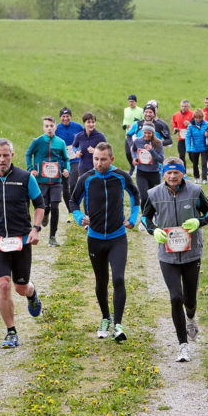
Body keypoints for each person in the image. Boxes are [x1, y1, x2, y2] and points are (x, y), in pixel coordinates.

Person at [0, 138, 45, 349]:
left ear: (12, 155)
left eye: (6, 155)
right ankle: (11, 332)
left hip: (22, 241)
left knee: (20, 287)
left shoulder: (25, 178)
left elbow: (39, 204)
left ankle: (31, 293)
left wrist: (36, 229)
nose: (2, 159)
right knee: (3, 285)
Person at [141, 157, 208, 362]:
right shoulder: (154, 194)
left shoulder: (195, 191)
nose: (172, 176)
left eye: (176, 172)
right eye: (169, 172)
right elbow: (145, 217)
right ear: (163, 173)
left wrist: (198, 221)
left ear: (183, 173)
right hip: (167, 255)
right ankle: (183, 345)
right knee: (175, 297)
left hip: (192, 253)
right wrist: (153, 230)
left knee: (189, 300)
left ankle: (191, 317)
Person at [69, 142, 140, 342]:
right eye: (96, 159)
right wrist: (79, 217)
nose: (98, 163)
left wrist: (133, 218)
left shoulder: (121, 177)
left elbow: (135, 195)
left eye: (103, 159)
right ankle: (105, 318)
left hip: (118, 237)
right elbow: (73, 201)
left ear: (111, 159)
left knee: (118, 279)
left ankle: (118, 325)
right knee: (101, 281)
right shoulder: (86, 178)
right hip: (95, 238)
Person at [26, 116, 71, 247]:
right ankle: (45, 214)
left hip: (56, 180)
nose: (49, 128)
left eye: (51, 126)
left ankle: (52, 237)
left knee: (55, 207)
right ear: (43, 128)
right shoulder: (37, 141)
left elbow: (66, 159)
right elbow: (28, 154)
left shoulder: (60, 142)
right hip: (41, 181)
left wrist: (66, 169)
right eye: (46, 126)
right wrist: (31, 169)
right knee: (44, 206)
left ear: (55, 127)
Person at [131, 121, 164, 220]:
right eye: (145, 132)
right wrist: (135, 158)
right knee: (144, 197)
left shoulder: (158, 143)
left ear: (153, 133)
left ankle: (156, 215)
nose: (146, 135)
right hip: (141, 173)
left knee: (155, 197)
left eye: (149, 133)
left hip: (154, 173)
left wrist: (151, 150)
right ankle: (145, 217)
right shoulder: (137, 141)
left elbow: (161, 159)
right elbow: (133, 150)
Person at [55, 107, 85, 212]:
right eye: (63, 116)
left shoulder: (78, 127)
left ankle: (74, 205)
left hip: (75, 160)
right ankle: (70, 211)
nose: (65, 118)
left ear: (70, 117)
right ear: (60, 117)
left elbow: (85, 138)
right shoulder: (56, 128)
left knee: (73, 184)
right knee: (65, 189)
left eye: (67, 116)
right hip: (62, 161)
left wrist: (80, 149)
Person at [185, 108, 208, 184]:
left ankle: (204, 179)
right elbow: (188, 137)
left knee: (204, 164)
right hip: (194, 148)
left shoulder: (206, 124)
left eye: (200, 118)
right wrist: (188, 148)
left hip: (204, 148)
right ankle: (197, 177)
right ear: (194, 117)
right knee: (195, 164)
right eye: (196, 118)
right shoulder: (190, 126)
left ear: (202, 117)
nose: (198, 119)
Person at [123, 95, 144, 175]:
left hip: (136, 135)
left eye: (132, 101)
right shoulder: (126, 110)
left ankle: (138, 168)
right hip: (128, 134)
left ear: (135, 102)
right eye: (129, 101)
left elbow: (143, 121)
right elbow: (125, 120)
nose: (131, 103)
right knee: (128, 153)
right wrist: (124, 125)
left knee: (136, 152)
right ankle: (132, 166)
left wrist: (137, 122)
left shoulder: (140, 110)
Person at [171, 100, 193, 166]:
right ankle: (183, 171)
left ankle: (196, 168)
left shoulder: (192, 114)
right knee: (181, 156)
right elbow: (174, 123)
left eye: (185, 106)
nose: (183, 108)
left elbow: (197, 124)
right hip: (181, 139)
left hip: (190, 139)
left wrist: (190, 124)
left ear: (188, 107)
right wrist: (174, 128)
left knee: (192, 156)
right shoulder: (176, 115)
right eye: (182, 106)